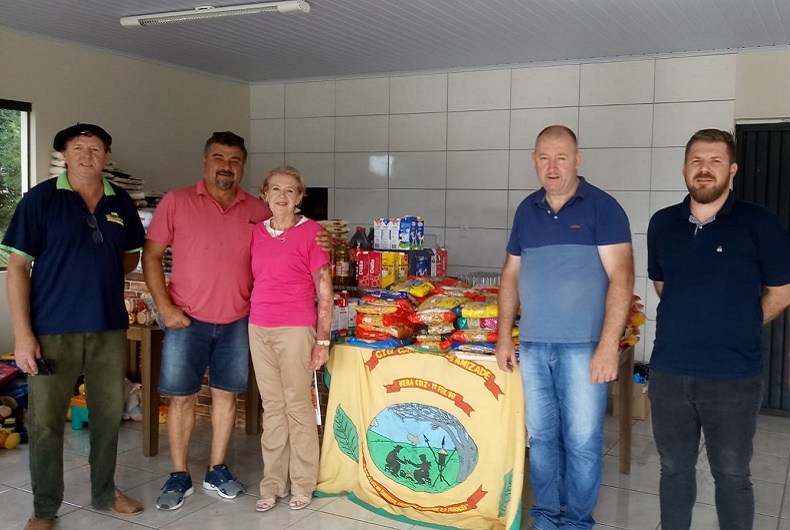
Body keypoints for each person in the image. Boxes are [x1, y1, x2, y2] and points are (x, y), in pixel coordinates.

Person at [143, 133, 331, 511]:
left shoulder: (260, 212)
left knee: (234, 397)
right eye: (218, 158)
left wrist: (324, 239)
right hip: (192, 319)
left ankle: (223, 470)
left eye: (234, 160)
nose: (226, 166)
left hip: (241, 321)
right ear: (205, 162)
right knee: (186, 398)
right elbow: (150, 256)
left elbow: (301, 249)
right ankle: (183, 474)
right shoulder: (178, 201)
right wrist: (165, 307)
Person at [2, 123, 146, 530]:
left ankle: (105, 491)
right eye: (78, 147)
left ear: (107, 156)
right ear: (64, 155)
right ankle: (45, 508)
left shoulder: (121, 201)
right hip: (51, 328)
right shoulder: (41, 199)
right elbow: (18, 267)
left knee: (108, 415)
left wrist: (94, 274)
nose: (87, 155)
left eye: (96, 148)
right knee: (46, 422)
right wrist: (23, 334)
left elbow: (131, 257)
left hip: (107, 326)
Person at [647, 128, 790, 530]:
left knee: (731, 474)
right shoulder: (662, 224)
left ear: (733, 169)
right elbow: (663, 285)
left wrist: (738, 321)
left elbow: (781, 293)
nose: (704, 169)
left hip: (733, 377)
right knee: (673, 469)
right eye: (696, 160)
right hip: (669, 373)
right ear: (684, 168)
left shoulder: (761, 223)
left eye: (715, 161)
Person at [495, 125, 634, 530]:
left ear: (577, 159)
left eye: (561, 157)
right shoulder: (527, 210)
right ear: (534, 161)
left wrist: (608, 346)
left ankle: (575, 522)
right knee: (540, 439)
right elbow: (510, 275)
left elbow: (622, 277)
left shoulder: (603, 208)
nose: (552, 166)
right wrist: (504, 336)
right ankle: (545, 516)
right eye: (544, 158)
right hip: (534, 346)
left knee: (582, 441)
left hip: (583, 347)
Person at [249, 165, 332, 513]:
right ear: (264, 194)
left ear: (299, 198)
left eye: (290, 191)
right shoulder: (257, 231)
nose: (282, 196)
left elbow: (324, 292)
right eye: (275, 189)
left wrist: (322, 341)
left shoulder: (312, 233)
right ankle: (272, 484)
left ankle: (302, 482)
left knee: (297, 406)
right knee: (272, 407)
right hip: (259, 326)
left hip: (297, 328)